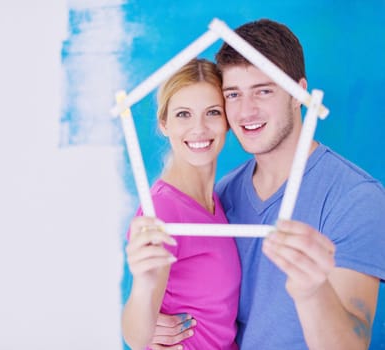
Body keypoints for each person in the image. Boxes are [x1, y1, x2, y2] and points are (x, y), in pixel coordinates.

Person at [148, 19, 385, 349]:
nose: (246, 111)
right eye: (233, 94)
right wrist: (158, 325)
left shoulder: (356, 197)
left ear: (299, 92)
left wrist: (311, 293)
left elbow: (354, 343)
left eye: (263, 90)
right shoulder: (221, 198)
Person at [121, 58, 241, 349]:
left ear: (227, 120)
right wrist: (144, 284)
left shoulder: (217, 199)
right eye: (183, 114)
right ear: (164, 123)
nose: (198, 128)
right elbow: (136, 337)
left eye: (212, 112)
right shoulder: (162, 211)